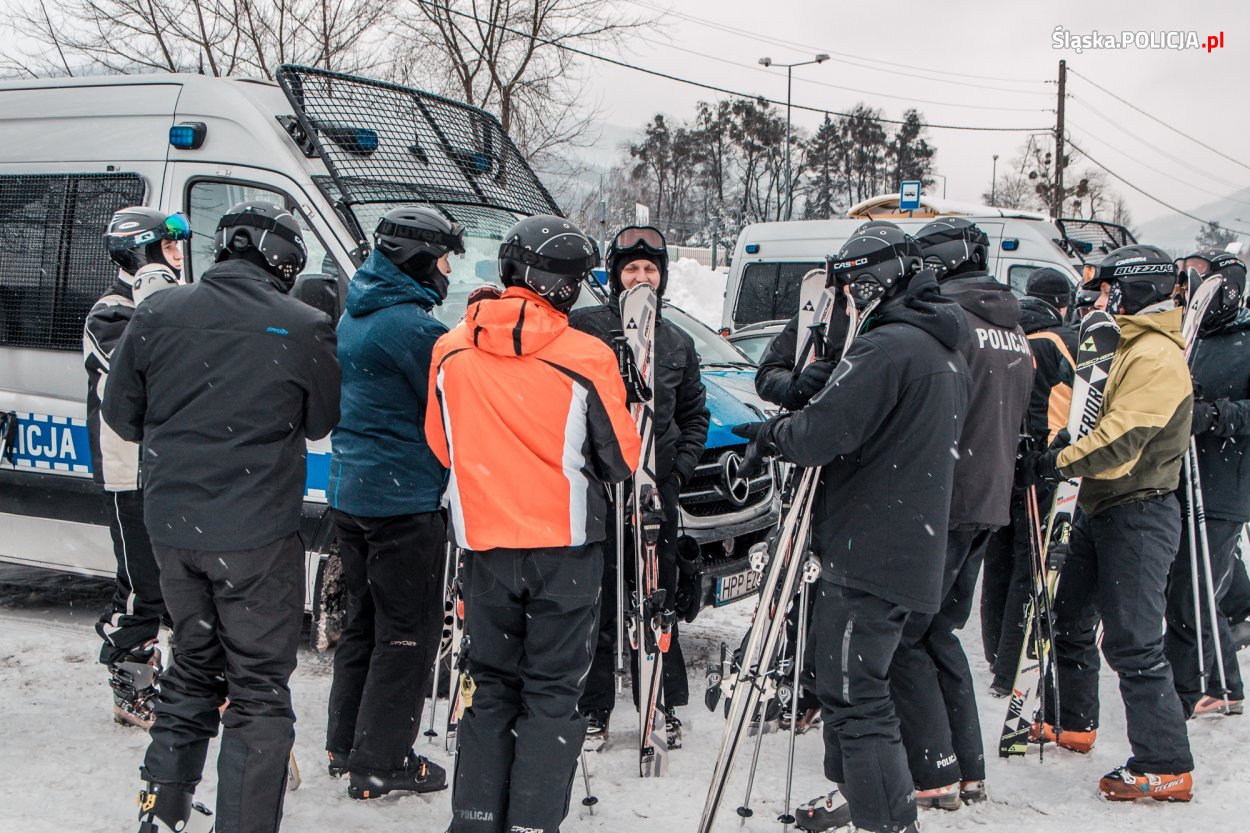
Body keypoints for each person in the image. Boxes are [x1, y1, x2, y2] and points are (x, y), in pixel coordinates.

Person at [103, 201, 340, 833]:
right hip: (255, 534)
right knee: (258, 687)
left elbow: (122, 415)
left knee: (191, 667)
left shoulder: (158, 311)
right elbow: (322, 421)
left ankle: (163, 811)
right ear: (285, 261)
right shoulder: (304, 324)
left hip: (175, 528)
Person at [736, 226, 971, 833]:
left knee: (854, 696)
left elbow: (821, 434)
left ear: (866, 284)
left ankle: (885, 820)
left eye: (845, 289)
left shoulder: (888, 348)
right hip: (902, 542)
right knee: (848, 683)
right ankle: (862, 800)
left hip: (871, 552)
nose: (841, 302)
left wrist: (771, 435)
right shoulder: (938, 344)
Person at [426, 215, 640, 833]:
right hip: (564, 548)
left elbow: (441, 444)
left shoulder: (451, 347)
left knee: (490, 685)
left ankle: (475, 817)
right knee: (551, 692)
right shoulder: (586, 355)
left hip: (486, 543)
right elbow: (621, 460)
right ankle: (531, 823)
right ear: (567, 287)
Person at [1019, 243, 1195, 801]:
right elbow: (1090, 414)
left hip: (1140, 510)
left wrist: (1057, 462)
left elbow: (1121, 441)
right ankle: (1074, 721)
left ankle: (1166, 764)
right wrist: (1057, 441)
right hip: (1100, 506)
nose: (1099, 299)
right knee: (1068, 617)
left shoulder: (1156, 356)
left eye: (1106, 288)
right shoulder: (1123, 346)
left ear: (1134, 287)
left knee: (1133, 641)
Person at [889, 217, 1033, 807]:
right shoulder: (1012, 326)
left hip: (941, 500)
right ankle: (965, 767)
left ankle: (935, 772)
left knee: (903, 637)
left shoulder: (950, 321)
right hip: (986, 501)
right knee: (937, 632)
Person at [323, 207, 464, 797]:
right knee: (407, 634)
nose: (448, 272)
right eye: (444, 260)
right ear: (418, 260)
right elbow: (453, 410)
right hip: (401, 502)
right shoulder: (412, 329)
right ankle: (381, 761)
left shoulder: (358, 313)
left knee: (364, 624)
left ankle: (346, 744)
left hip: (352, 493)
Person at [570, 225, 708, 750]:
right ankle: (594, 707)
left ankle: (664, 700)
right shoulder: (585, 329)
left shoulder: (676, 341)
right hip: (600, 490)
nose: (642, 277)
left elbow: (694, 415)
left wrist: (678, 471)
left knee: (658, 593)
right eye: (632, 268)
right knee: (599, 600)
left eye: (651, 269)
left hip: (655, 490)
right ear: (615, 275)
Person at [84, 207, 191, 729]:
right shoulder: (111, 312)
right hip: (129, 471)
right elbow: (143, 374)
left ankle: (183, 676)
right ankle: (130, 678)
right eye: (167, 247)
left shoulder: (177, 302)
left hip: (173, 469)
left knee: (180, 581)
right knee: (141, 583)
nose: (178, 256)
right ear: (140, 253)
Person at [981, 267, 1078, 696]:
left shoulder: (1008, 338)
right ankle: (1012, 667)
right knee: (1030, 566)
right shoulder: (1061, 342)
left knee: (998, 563)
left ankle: (997, 656)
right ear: (1062, 304)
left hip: (1001, 464)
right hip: (1041, 465)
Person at [1164, 248, 1248, 716]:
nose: (1189, 286)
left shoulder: (1245, 339)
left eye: (1199, 277)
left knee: (1193, 593)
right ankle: (1217, 683)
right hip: (1179, 477)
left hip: (1224, 484)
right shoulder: (1186, 335)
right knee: (1185, 588)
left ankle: (1202, 686)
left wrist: (1216, 415)